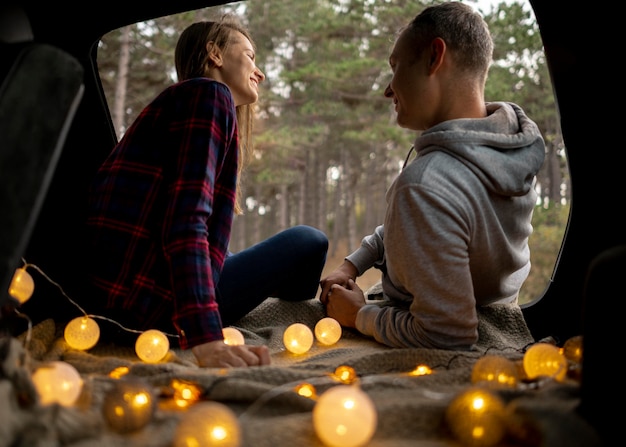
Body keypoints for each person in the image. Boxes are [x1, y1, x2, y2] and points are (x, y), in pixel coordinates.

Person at [81, 15, 328, 368]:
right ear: (214, 53)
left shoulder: (178, 102)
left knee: (234, 255)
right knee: (309, 241)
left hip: (121, 294)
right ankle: (302, 308)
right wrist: (206, 338)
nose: (259, 72)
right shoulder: (209, 94)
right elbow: (184, 224)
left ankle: (284, 300)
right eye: (250, 56)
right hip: (153, 306)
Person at [319, 2, 545, 351]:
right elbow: (424, 233)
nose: (387, 89)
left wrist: (359, 315)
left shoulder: (426, 186)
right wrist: (353, 264)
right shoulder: (509, 151)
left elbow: (446, 333)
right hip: (502, 308)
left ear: (434, 57)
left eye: (395, 67)